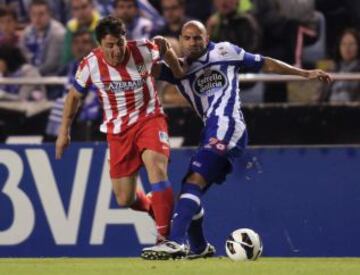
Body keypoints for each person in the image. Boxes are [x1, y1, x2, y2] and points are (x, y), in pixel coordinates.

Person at [141, 20, 332, 260]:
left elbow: (267, 63)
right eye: (187, 38)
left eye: (197, 37)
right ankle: (199, 249)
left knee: (194, 179)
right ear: (180, 40)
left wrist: (304, 73)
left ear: (207, 37)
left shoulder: (226, 51)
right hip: (211, 129)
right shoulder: (178, 69)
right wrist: (152, 50)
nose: (192, 42)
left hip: (228, 125)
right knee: (191, 187)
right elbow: (144, 67)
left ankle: (175, 242)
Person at [55, 16, 184, 242]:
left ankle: (165, 239)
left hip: (149, 118)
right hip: (118, 131)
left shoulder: (143, 50)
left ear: (126, 39)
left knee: (156, 166)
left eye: (120, 44)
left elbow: (169, 55)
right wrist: (63, 131)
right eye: (110, 46)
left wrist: (170, 54)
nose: (116, 51)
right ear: (100, 45)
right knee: (125, 199)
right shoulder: (90, 64)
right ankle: (159, 208)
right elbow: (74, 96)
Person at [19, 0, 65, 76]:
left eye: (41, 14)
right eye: (34, 14)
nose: (37, 18)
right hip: (30, 75)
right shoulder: (26, 33)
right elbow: (22, 57)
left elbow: (51, 65)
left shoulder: (58, 33)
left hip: (52, 78)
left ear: (49, 14)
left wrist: (32, 73)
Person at [320, 28, 360, 102]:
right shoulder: (331, 70)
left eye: (351, 44)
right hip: (329, 110)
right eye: (343, 44)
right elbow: (320, 98)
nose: (347, 48)